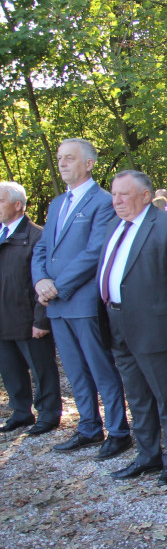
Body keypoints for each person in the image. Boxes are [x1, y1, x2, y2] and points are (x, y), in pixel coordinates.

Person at [101, 171, 167, 485]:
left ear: (145, 195)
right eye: (114, 194)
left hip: (156, 325)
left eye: (124, 194)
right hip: (117, 322)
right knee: (137, 394)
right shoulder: (113, 226)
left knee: (166, 397)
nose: (116, 201)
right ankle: (147, 455)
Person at [32, 138, 130, 457]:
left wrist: (58, 285)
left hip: (83, 300)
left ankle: (118, 430)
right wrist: (41, 281)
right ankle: (89, 427)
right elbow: (42, 248)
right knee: (74, 370)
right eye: (60, 158)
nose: (62, 163)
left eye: (69, 158)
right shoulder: (57, 204)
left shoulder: (103, 202)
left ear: (88, 164)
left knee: (100, 367)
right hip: (56, 304)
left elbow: (94, 252)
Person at [0, 182, 61, 435]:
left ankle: (48, 413)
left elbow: (44, 282)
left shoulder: (37, 236)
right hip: (3, 318)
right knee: (10, 369)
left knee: (42, 369)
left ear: (17, 205)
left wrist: (41, 321)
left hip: (29, 319)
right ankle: (21, 411)